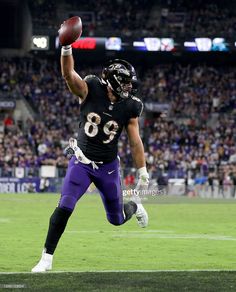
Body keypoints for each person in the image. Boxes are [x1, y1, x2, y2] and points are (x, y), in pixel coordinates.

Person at [31, 33, 149, 273]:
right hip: (82, 162)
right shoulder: (91, 88)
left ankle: (136, 207)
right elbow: (68, 75)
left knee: (115, 219)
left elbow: (135, 141)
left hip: (108, 167)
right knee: (65, 206)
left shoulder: (130, 106)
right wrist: (66, 47)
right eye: (125, 82)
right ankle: (46, 258)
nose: (129, 87)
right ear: (114, 80)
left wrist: (143, 171)